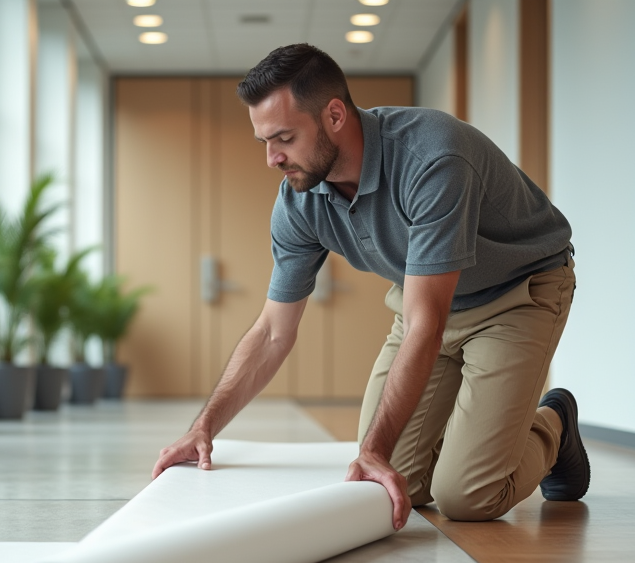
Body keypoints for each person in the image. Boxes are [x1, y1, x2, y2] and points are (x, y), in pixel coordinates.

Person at [151, 43, 590, 530]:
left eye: (285, 138)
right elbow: (273, 331)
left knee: (467, 496)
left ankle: (554, 423)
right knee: (395, 483)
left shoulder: (433, 158)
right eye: (264, 142)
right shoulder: (300, 201)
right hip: (424, 303)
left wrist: (375, 449)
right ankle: (474, 440)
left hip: (516, 295)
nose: (272, 159)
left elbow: (426, 324)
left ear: (335, 115)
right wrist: (203, 428)